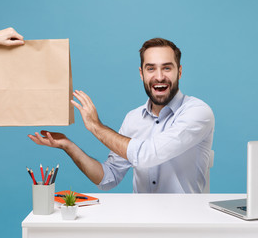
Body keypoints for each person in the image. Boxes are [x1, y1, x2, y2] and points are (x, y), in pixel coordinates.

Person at [28, 38, 215, 193]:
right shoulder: (133, 119)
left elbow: (148, 154)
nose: (159, 76)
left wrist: (96, 126)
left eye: (167, 68)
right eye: (151, 68)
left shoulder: (197, 112)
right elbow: (108, 178)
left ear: (179, 72)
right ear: (141, 74)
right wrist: (68, 146)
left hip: (185, 223)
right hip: (140, 222)